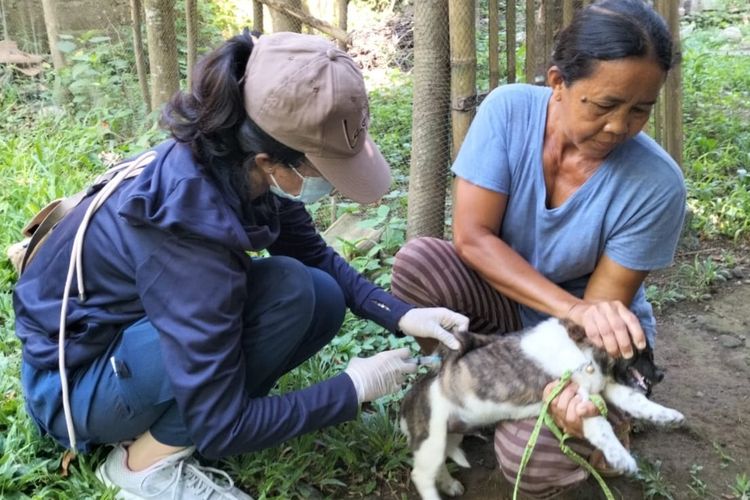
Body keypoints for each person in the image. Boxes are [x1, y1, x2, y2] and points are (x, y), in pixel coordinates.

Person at [13, 31, 469, 499]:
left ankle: (183, 415)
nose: (327, 185)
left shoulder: (233, 163)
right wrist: (353, 389)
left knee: (314, 291)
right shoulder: (189, 235)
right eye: (321, 170)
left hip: (133, 333)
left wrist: (401, 314)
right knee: (285, 297)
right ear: (270, 161)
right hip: (75, 388)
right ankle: (139, 468)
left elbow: (312, 255)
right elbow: (223, 428)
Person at [391, 0, 686, 497]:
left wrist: (569, 382)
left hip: (587, 341)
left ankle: (598, 419)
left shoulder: (656, 185)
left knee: (537, 462)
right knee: (422, 263)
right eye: (603, 104)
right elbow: (472, 237)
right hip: (512, 308)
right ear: (557, 82)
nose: (620, 126)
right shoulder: (508, 112)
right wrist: (567, 307)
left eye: (640, 110)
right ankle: (467, 389)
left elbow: (595, 317)